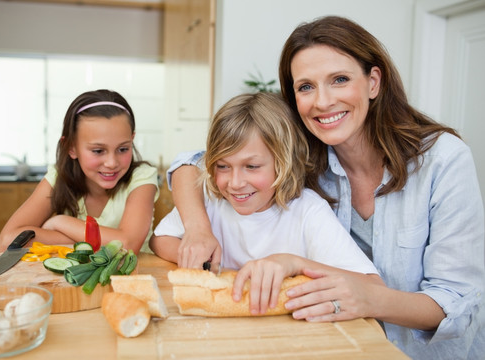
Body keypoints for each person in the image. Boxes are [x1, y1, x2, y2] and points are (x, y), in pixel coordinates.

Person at [165, 16, 485, 359]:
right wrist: (198, 229)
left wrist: (359, 293)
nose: (322, 101)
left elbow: (456, 303)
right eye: (306, 87)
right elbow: (194, 162)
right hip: (342, 347)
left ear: (373, 82)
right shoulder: (302, 151)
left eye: (340, 80)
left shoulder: (442, 159)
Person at [150, 92, 382, 315]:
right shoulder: (209, 200)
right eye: (223, 166)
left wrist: (297, 265)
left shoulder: (308, 211)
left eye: (252, 167)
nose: (235, 183)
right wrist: (207, 259)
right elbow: (158, 240)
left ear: (283, 162)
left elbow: (372, 286)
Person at [0, 89, 159, 254]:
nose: (111, 163)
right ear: (72, 147)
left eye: (123, 149)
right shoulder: (58, 177)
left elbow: (127, 244)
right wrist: (98, 241)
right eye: (98, 151)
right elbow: (7, 241)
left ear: (132, 139)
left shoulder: (142, 177)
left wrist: (61, 223)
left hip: (134, 278)